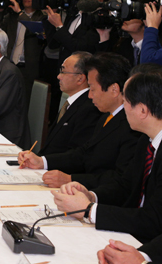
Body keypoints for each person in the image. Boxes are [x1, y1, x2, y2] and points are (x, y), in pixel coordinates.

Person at [52, 68, 162, 243]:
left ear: (142, 111)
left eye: (125, 101)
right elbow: (125, 185)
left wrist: (89, 210)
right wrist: (91, 196)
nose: (122, 107)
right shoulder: (146, 141)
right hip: (130, 231)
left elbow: (154, 220)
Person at [18, 52, 140, 189]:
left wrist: (70, 179)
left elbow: (119, 179)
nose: (89, 95)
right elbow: (83, 153)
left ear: (114, 90)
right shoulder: (107, 116)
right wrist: (42, 161)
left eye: (92, 89)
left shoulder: (132, 126)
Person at [38, 52, 102, 156]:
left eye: (63, 72)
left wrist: (43, 162)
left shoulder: (89, 108)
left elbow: (76, 154)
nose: (59, 76)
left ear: (80, 78)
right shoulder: (70, 103)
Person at [0, 0, 45, 101]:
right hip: (10, 64)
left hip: (29, 68)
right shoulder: (12, 16)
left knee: (25, 101)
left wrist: (20, 12)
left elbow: (34, 30)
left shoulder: (42, 16)